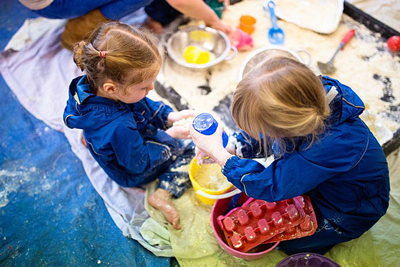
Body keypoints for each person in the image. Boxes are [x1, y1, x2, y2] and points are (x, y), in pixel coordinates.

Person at [190, 56, 390, 254]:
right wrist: (234, 146)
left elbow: (272, 185)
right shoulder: (305, 104)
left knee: (288, 247)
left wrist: (219, 155)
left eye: (262, 130)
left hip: (350, 210)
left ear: (286, 129)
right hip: (328, 185)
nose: (259, 134)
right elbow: (269, 135)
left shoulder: (325, 148)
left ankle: (334, 235)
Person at [63, 21, 197, 230]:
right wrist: (170, 135)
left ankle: (97, 141)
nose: (151, 88)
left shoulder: (93, 84)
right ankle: (162, 194)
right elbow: (138, 162)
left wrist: (170, 116)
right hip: (132, 170)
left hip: (121, 138)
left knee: (128, 109)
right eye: (144, 86)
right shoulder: (120, 126)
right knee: (192, 152)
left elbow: (141, 103)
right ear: (111, 88)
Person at [18, 0, 231, 50]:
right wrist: (213, 19)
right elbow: (179, 1)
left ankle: (156, 17)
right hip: (54, 4)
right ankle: (77, 31)